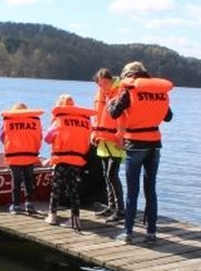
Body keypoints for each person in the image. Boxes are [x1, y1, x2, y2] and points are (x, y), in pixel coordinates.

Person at [108, 61, 173, 244]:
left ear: (129, 75)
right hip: (155, 145)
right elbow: (168, 117)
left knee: (132, 192)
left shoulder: (129, 90)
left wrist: (110, 103)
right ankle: (151, 232)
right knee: (150, 190)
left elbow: (114, 113)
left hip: (135, 144)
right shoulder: (159, 91)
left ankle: (128, 233)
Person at [43, 94, 96, 232]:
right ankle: (75, 218)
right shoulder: (85, 120)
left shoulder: (59, 120)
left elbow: (47, 138)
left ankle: (52, 215)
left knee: (56, 188)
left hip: (61, 160)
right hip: (77, 160)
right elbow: (89, 140)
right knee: (74, 189)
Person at [92, 68, 126, 224]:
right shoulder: (101, 95)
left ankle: (121, 210)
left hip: (116, 140)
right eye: (100, 84)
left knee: (112, 174)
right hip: (103, 140)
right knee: (106, 175)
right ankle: (111, 207)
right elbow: (97, 116)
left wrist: (121, 137)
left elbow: (125, 117)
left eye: (105, 83)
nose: (103, 87)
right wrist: (94, 133)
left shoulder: (121, 92)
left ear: (111, 80)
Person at [0, 102, 44, 215]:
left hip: (14, 156)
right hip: (29, 156)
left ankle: (15, 205)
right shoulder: (34, 121)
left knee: (16, 181)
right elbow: (39, 137)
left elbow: (2, 136)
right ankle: (29, 204)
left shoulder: (9, 120)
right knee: (29, 180)